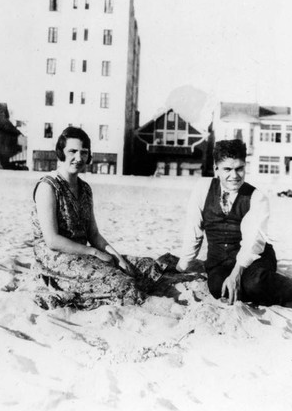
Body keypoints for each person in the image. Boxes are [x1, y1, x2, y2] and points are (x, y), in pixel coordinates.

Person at [31, 127, 193, 310]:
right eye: (72, 151)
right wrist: (94, 253)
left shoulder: (84, 189)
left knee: (143, 267)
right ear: (60, 152)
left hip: (82, 253)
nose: (78, 158)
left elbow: (93, 234)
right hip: (55, 259)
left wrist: (118, 258)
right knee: (120, 282)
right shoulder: (48, 187)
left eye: (84, 152)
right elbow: (52, 240)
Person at [176, 139, 292, 308]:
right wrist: (182, 265)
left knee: (254, 283)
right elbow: (194, 230)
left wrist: (236, 274)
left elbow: (253, 243)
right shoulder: (202, 188)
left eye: (239, 168)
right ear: (216, 169)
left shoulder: (256, 197)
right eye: (227, 169)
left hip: (254, 257)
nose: (234, 175)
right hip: (219, 261)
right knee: (218, 288)